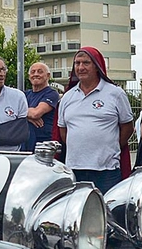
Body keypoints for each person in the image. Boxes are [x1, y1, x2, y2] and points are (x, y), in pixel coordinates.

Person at [57, 48, 133, 192]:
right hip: (74, 169)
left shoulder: (115, 94)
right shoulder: (67, 97)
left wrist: (111, 146)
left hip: (106, 171)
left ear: (97, 67)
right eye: (77, 63)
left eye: (86, 63)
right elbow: (63, 130)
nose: (80, 67)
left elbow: (127, 127)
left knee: (106, 212)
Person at [25, 62, 60, 153]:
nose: (36, 74)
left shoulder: (52, 94)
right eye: (33, 72)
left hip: (44, 144)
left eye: (40, 72)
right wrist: (27, 117)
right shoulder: (25, 94)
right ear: (29, 76)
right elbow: (12, 113)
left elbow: (36, 113)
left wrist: (23, 114)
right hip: (26, 142)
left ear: (48, 76)